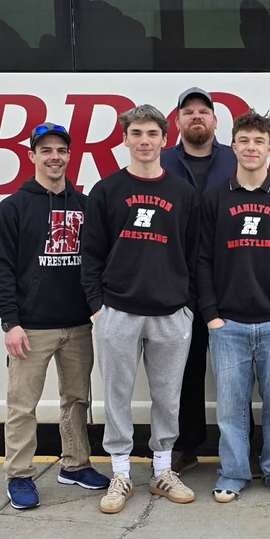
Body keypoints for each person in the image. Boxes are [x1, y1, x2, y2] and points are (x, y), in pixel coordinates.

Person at [82, 104, 199, 514]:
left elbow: (194, 253)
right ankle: (120, 473)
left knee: (168, 396)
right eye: (136, 133)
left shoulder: (183, 193)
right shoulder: (107, 190)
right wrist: (97, 307)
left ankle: (163, 470)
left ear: (165, 139)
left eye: (152, 133)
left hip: (170, 312)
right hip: (117, 311)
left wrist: (187, 307)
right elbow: (91, 254)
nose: (144, 141)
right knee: (117, 395)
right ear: (125, 139)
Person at [0, 122, 109, 510]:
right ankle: (19, 475)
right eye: (46, 150)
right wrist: (10, 322)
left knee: (76, 400)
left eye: (61, 150)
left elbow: (98, 261)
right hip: (31, 327)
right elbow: (1, 269)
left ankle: (75, 465)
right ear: (32, 156)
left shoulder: (85, 205)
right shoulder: (13, 207)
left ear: (69, 156)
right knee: (22, 405)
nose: (54, 157)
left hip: (77, 324)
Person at [197, 110, 270, 503]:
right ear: (233, 146)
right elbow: (202, 260)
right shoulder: (214, 199)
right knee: (230, 409)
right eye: (244, 140)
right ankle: (232, 473)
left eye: (258, 141)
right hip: (227, 325)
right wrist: (211, 315)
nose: (251, 147)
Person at [159, 87, 260, 476]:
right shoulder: (163, 162)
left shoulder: (235, 159)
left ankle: (243, 446)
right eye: (188, 111)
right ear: (177, 122)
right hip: (179, 283)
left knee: (236, 372)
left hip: (227, 283)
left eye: (204, 111)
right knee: (183, 370)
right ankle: (185, 446)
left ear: (216, 121)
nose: (196, 116)